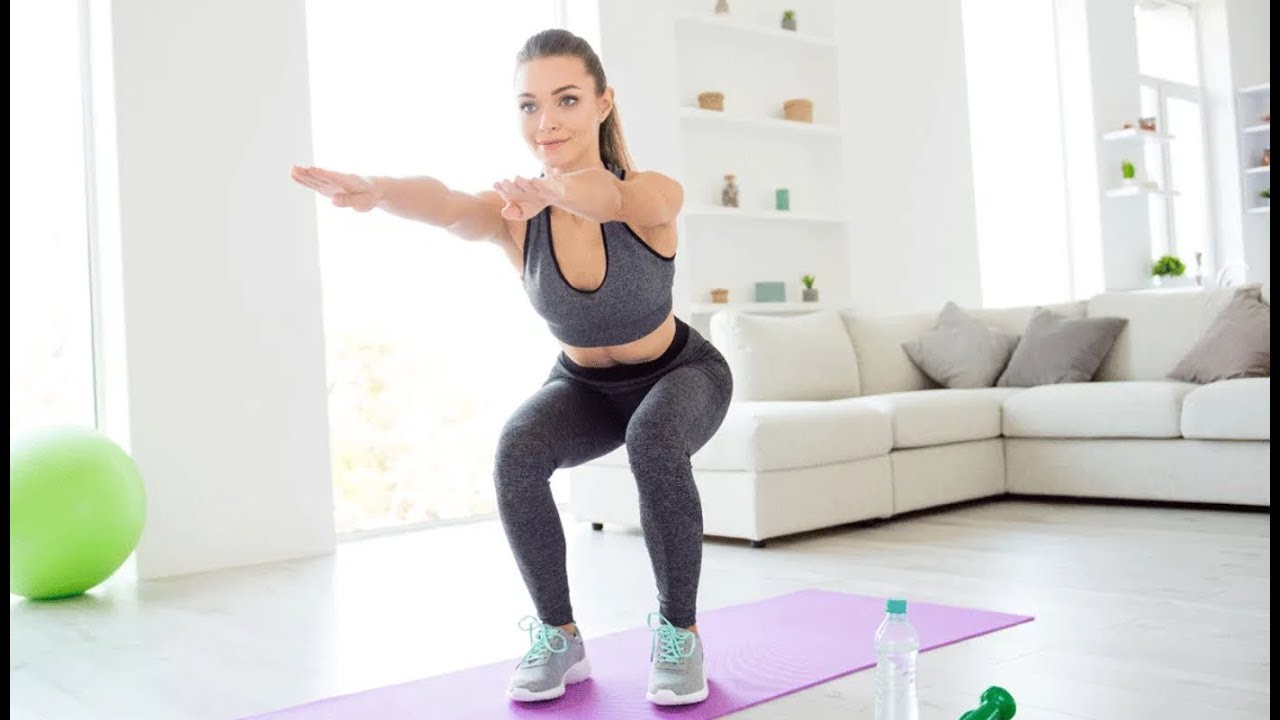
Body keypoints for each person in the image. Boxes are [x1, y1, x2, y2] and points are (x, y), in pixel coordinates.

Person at [290, 28, 732, 707]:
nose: (546, 120)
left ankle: (679, 634)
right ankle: (559, 636)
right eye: (529, 105)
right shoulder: (515, 214)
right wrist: (376, 190)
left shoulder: (650, 193)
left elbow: (610, 200)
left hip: (681, 374)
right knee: (518, 449)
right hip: (586, 387)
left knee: (653, 439)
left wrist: (555, 193)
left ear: (603, 103)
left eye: (566, 100)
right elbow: (445, 203)